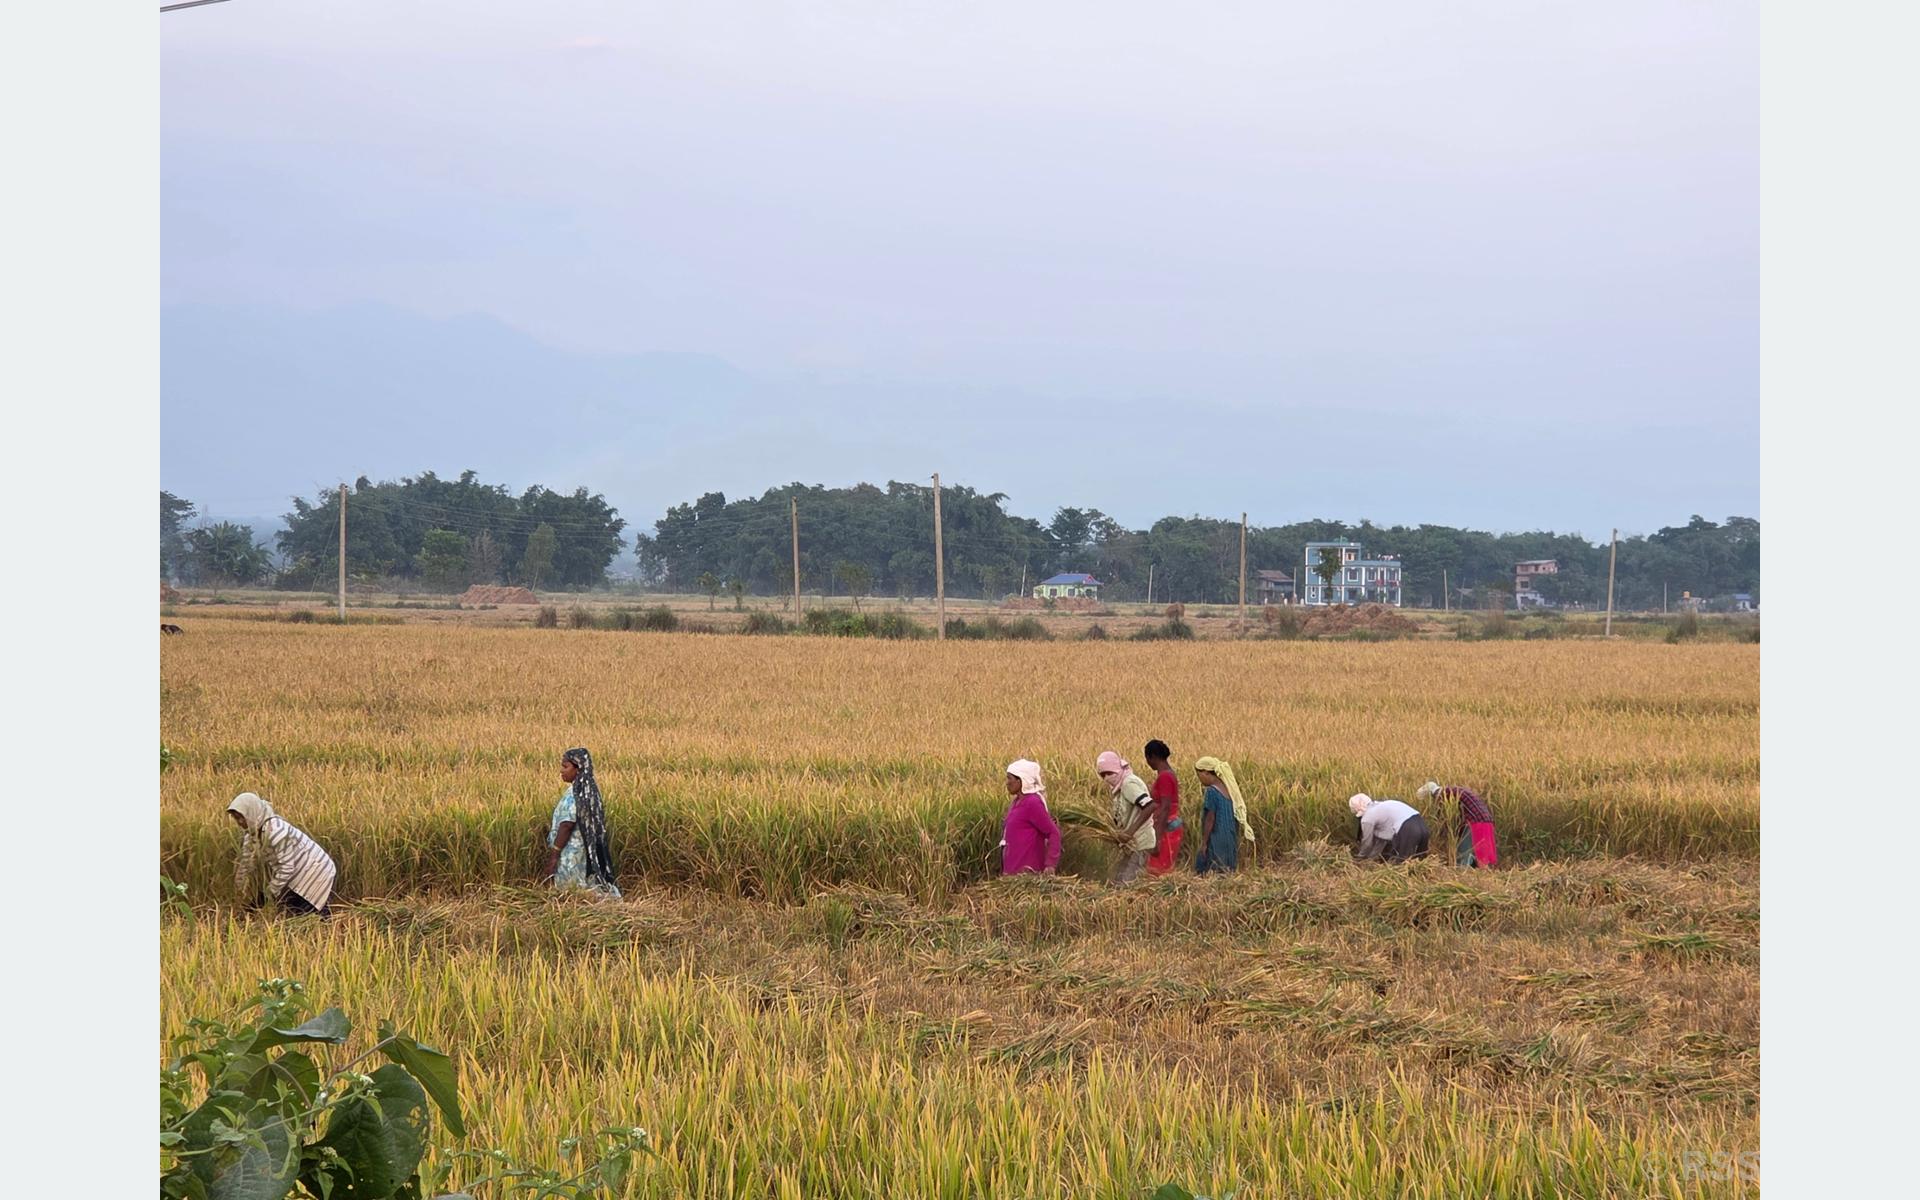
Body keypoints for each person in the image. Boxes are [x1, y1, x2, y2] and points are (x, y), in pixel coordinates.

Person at [228, 793, 336, 916]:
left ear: (251, 812)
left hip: (316, 870)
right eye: (236, 818)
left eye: (242, 817)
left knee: (308, 914)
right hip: (298, 875)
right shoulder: (251, 836)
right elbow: (245, 865)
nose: (240, 822)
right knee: (292, 911)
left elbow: (287, 868)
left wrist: (267, 895)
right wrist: (239, 892)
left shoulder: (276, 831)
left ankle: (330, 928)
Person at [544, 747, 621, 896]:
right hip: (583, 850)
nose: (561, 770)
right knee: (584, 889)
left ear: (578, 769)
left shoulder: (576, 793)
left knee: (571, 892)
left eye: (565, 766)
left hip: (571, 852)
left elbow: (567, 825)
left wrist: (554, 854)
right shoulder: (589, 791)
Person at [1096, 750, 1156, 884]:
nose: (1106, 778)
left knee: (1126, 884)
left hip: (1140, 843)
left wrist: (1129, 833)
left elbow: (1150, 806)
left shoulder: (1128, 784)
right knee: (1118, 880)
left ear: (1118, 769)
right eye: (1102, 775)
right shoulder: (1119, 787)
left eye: (1109, 773)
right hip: (1131, 845)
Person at [1000, 759, 1062, 876]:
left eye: (1010, 778)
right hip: (1013, 874)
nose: (1007, 783)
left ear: (1021, 780)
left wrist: (1050, 864)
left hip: (1028, 874)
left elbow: (1053, 833)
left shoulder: (1032, 803)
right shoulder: (1017, 802)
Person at [1417, 780, 1499, 868]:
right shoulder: (1454, 791)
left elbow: (1446, 819)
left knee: (1464, 853)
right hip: (1486, 820)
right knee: (1481, 851)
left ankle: (1470, 872)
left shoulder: (1443, 794)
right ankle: (1484, 873)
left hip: (1475, 822)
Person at [1192, 756, 1253, 874]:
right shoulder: (1229, 789)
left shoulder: (1212, 792)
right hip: (1229, 834)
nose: (1200, 780)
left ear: (1206, 773)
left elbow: (1210, 818)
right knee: (1227, 869)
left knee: (1213, 868)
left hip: (1217, 835)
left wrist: (1204, 842)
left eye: (1199, 776)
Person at [1349, 793, 1430, 863]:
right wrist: (1371, 859)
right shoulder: (1382, 806)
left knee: (1403, 863)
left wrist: (1360, 857)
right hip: (1421, 824)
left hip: (1407, 828)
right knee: (1421, 859)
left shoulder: (1367, 818)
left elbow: (1367, 842)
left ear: (1356, 809)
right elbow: (1380, 841)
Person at [1143, 739, 1184, 875]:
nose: (1147, 763)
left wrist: (1157, 839)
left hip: (1166, 827)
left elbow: (1165, 807)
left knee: (1158, 871)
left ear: (1152, 757)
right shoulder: (1169, 774)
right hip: (1170, 825)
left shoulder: (1164, 777)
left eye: (1147, 758)